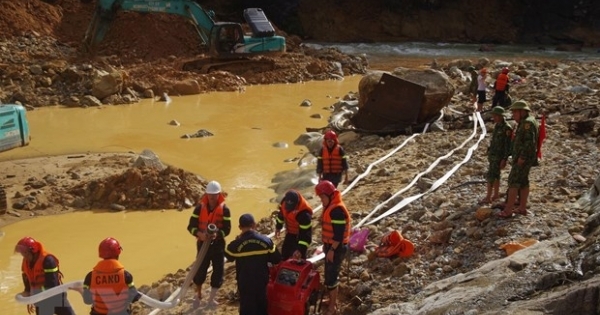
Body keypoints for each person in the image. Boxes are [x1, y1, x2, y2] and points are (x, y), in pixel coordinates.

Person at [225, 214, 281, 315]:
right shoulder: (266, 241)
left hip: (245, 282)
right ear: (254, 225)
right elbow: (276, 259)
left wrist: (238, 239)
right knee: (261, 305)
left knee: (247, 307)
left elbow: (229, 256)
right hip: (261, 280)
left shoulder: (236, 244)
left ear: (240, 227)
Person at [186, 180, 231, 307]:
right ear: (206, 195)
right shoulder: (199, 208)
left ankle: (211, 299)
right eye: (210, 195)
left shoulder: (225, 210)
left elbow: (227, 229)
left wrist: (217, 234)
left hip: (218, 246)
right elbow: (190, 227)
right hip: (202, 245)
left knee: (218, 272)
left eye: (214, 194)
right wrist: (199, 234)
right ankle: (198, 295)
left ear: (219, 195)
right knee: (200, 271)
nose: (212, 197)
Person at [315, 180, 351, 315]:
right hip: (331, 246)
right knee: (329, 274)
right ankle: (331, 300)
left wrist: (331, 250)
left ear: (329, 195)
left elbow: (339, 235)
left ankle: (332, 306)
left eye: (322, 197)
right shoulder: (331, 206)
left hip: (336, 248)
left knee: (332, 277)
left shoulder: (336, 211)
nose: (321, 200)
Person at [498, 100, 539, 218]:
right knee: (523, 182)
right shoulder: (525, 122)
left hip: (523, 158)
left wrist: (522, 157)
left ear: (522, 112)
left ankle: (508, 210)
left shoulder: (528, 124)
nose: (513, 115)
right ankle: (522, 208)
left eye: (515, 113)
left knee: (513, 182)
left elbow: (529, 142)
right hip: (524, 158)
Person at [15, 237, 76, 315]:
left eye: (25, 253)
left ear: (33, 251)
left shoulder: (48, 260)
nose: (23, 255)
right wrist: (28, 294)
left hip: (56, 297)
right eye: (22, 253)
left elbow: (52, 284)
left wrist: (34, 297)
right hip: (40, 299)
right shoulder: (26, 262)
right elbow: (26, 278)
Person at [82, 237, 140, 315]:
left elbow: (87, 300)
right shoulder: (126, 275)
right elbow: (134, 297)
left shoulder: (90, 276)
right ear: (118, 253)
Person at [479, 106, 513, 205]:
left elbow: (508, 145)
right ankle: (495, 194)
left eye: (495, 115)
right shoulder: (497, 126)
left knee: (491, 176)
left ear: (500, 116)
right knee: (495, 175)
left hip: (499, 156)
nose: (494, 117)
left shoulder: (506, 128)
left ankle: (488, 197)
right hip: (493, 154)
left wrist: (504, 159)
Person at [275, 190, 313, 260]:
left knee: (299, 257)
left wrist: (300, 249)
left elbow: (306, 234)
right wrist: (278, 227)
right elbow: (281, 215)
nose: (289, 209)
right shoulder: (284, 202)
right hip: (290, 232)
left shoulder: (304, 214)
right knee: (285, 253)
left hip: (300, 234)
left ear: (297, 204)